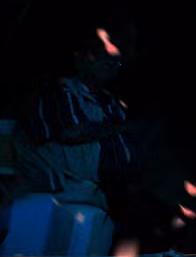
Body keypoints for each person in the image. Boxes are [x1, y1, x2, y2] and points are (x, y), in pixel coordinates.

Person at [10, 41, 129, 213]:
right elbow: (71, 132)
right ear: (80, 60)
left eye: (116, 61)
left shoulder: (110, 103)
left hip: (94, 200)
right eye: (103, 57)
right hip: (55, 198)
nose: (111, 64)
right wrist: (123, 127)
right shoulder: (57, 90)